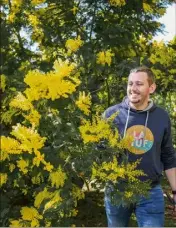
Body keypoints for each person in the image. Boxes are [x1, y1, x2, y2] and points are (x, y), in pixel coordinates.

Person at [103, 66, 176, 227]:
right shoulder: (111, 115)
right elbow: (100, 153)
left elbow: (168, 155)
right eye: (130, 84)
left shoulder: (162, 117)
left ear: (151, 88)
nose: (133, 89)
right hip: (117, 189)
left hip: (151, 190)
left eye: (139, 84)